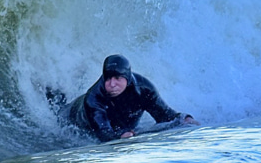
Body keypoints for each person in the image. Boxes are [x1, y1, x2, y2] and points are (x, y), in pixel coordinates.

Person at [50, 54, 199, 142]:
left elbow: (165, 116)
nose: (112, 84)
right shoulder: (94, 98)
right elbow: (103, 134)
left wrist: (183, 119)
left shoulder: (144, 89)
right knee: (56, 107)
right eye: (107, 78)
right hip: (70, 116)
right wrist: (120, 136)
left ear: (127, 77)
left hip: (117, 123)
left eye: (117, 78)